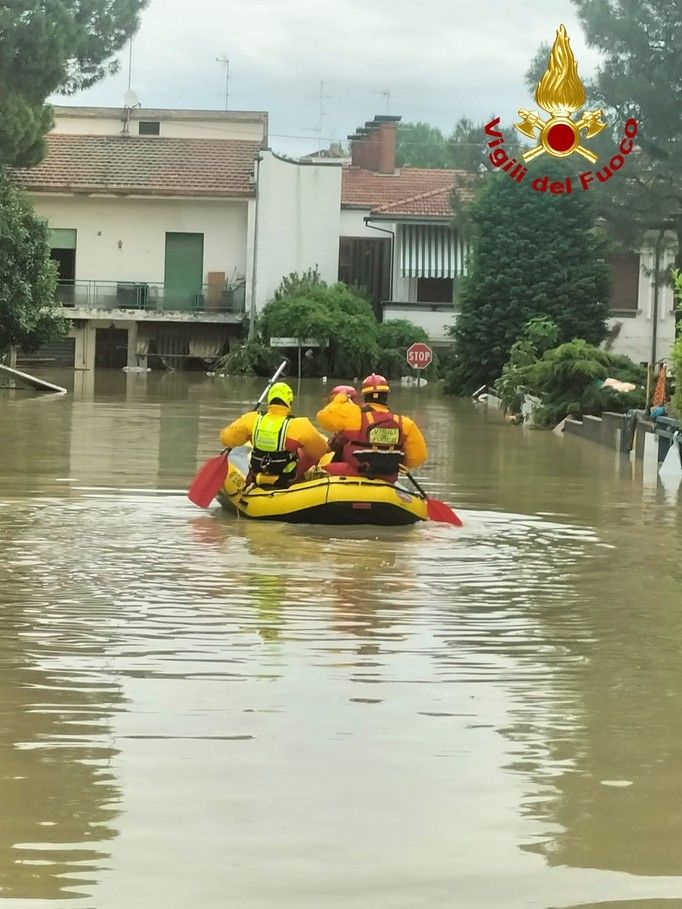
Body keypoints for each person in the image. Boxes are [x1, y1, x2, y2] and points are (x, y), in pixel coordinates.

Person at [316, 373, 428, 483]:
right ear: (386, 395)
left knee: (322, 469)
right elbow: (418, 457)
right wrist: (388, 466)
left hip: (355, 472)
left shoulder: (354, 416)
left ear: (364, 396)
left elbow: (323, 417)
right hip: (388, 478)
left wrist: (341, 398)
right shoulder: (405, 423)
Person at [220, 382, 328, 487]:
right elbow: (321, 452)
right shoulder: (299, 425)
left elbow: (226, 438)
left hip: (257, 477)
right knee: (306, 451)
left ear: (269, 400)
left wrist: (249, 435)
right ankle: (299, 483)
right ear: (289, 402)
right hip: (285, 481)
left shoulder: (251, 419)